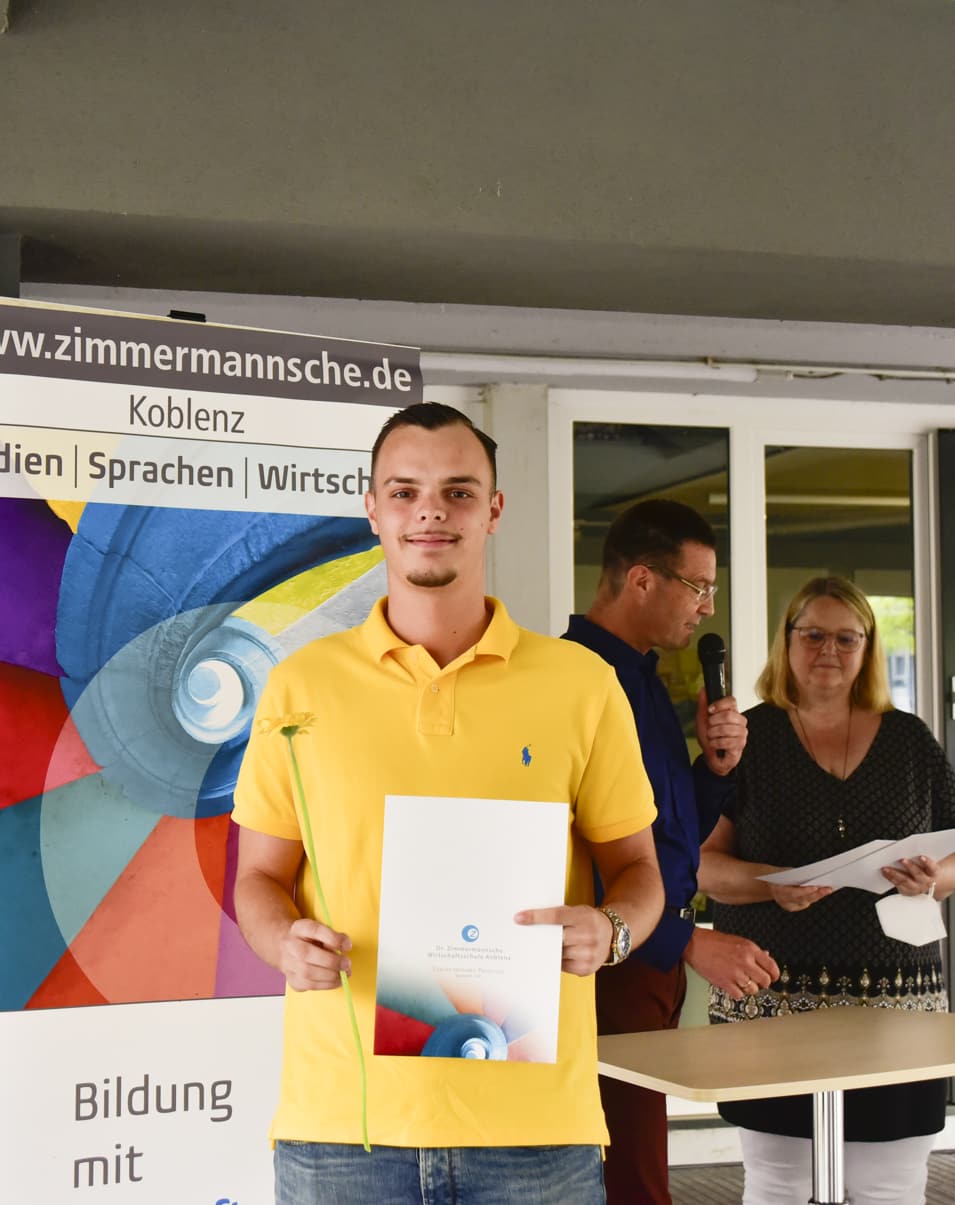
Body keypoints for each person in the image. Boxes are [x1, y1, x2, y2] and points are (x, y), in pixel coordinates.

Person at [232, 402, 664, 1205]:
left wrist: (611, 930)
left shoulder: (580, 685)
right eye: (404, 491)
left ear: (493, 510)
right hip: (344, 1130)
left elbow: (639, 869)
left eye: (458, 492)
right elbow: (257, 878)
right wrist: (282, 941)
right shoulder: (300, 686)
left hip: (534, 1134)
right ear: (372, 509)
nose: (430, 511)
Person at [699, 576, 955, 1205]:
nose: (830, 650)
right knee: (781, 1184)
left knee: (890, 1186)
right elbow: (701, 868)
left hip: (900, 1007)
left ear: (868, 649)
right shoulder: (746, 739)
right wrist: (772, 886)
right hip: (772, 1003)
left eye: (847, 639)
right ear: (787, 641)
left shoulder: (909, 739)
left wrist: (934, 879)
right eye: (814, 635)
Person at [562, 499, 779, 1205]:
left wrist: (713, 771)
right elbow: (575, 847)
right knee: (624, 1174)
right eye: (698, 587)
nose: (707, 607)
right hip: (606, 961)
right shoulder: (572, 679)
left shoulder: (645, 679)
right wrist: (686, 940)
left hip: (648, 957)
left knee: (636, 1162)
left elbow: (660, 834)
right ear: (642, 580)